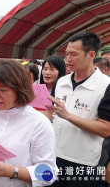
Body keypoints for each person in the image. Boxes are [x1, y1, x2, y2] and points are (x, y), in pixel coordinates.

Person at [0, 60, 58, 186]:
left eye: (3, 90)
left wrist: (12, 171)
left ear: (20, 90)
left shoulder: (39, 123)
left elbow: (48, 173)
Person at [46, 32, 110, 187]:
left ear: (91, 55)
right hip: (52, 156)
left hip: (83, 163)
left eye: (73, 54)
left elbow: (105, 129)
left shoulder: (105, 85)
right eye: (67, 54)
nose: (68, 59)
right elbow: (50, 113)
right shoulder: (61, 82)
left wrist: (68, 116)